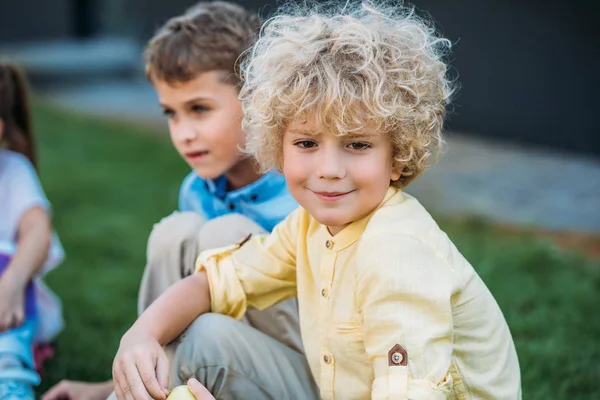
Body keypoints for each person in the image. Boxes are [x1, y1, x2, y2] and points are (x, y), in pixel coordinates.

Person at [111, 1, 523, 399]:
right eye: (306, 142)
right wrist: (142, 334)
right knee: (204, 335)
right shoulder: (307, 225)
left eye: (357, 144)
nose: (328, 168)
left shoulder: (396, 253)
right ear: (276, 147)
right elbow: (216, 283)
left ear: (397, 156)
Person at [42, 2, 301, 400]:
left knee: (226, 234)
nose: (184, 133)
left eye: (199, 109)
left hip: (302, 369)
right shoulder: (196, 190)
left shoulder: (302, 186)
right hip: (213, 353)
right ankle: (137, 378)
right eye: (171, 114)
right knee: (175, 233)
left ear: (256, 98)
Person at [0, 62, 65, 400]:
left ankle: (8, 374)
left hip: (10, 309)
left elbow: (38, 231)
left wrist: (11, 282)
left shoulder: (13, 172)